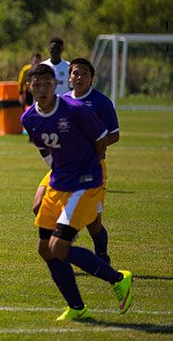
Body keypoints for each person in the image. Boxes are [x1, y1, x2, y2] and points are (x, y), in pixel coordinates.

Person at [20, 63, 132, 321]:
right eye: (36, 85)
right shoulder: (29, 118)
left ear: (56, 85)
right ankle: (77, 308)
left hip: (85, 181)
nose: (42, 89)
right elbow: (44, 149)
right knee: (44, 249)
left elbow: (102, 138)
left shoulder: (76, 110)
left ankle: (118, 279)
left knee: (59, 246)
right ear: (29, 87)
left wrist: (89, 166)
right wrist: (55, 170)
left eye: (47, 84)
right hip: (59, 182)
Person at [33, 58, 119, 264]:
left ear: (91, 78)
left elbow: (114, 135)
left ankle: (101, 257)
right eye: (76, 74)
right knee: (39, 204)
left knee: (93, 222)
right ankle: (64, 238)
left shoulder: (100, 102)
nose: (80, 77)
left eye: (85, 74)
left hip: (91, 167)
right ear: (69, 77)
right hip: (63, 166)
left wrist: (91, 147)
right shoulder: (62, 100)